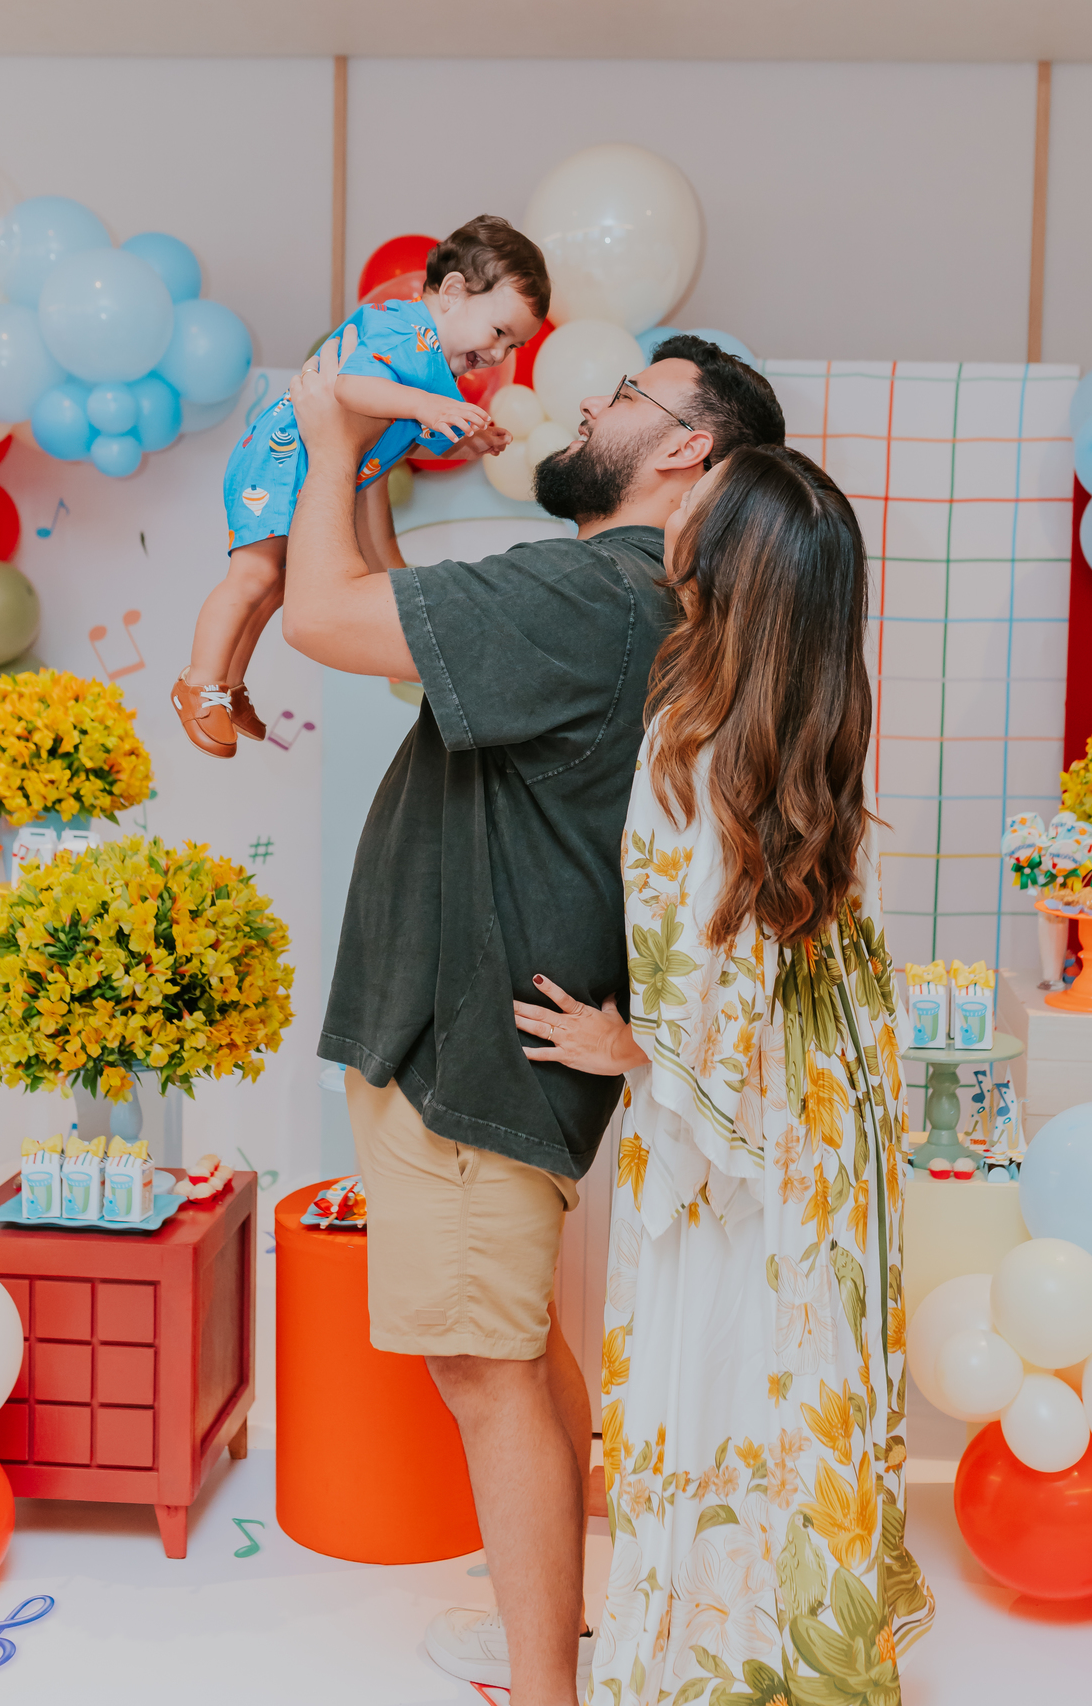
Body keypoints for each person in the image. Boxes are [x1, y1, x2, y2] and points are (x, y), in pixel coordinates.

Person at [281, 328, 785, 1706]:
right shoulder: (643, 602)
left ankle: (546, 1689)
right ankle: (559, 1636)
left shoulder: (595, 590)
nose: (592, 404)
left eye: (628, 395)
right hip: (497, 1037)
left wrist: (328, 446)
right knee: (518, 1355)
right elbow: (395, 627)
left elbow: (321, 618)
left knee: (485, 1368)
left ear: (686, 448)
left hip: (472, 1050)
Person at [512, 446, 935, 1702]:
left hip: (741, 1121)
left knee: (726, 1378)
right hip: (820, 1112)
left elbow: (706, 979)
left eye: (695, 506)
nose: (671, 509)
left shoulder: (690, 746)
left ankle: (717, 1661)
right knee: (797, 1377)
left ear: (724, 567)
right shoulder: (815, 709)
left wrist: (631, 1044)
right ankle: (789, 1645)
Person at [171, 216, 547, 758]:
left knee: (276, 584)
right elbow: (348, 388)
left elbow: (387, 435)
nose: (499, 355)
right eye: (499, 333)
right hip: (279, 461)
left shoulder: (430, 366)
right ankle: (197, 684)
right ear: (455, 292)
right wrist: (426, 405)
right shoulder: (401, 327)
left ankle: (227, 686)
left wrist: (464, 442)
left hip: (300, 466)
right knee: (252, 574)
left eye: (513, 346)